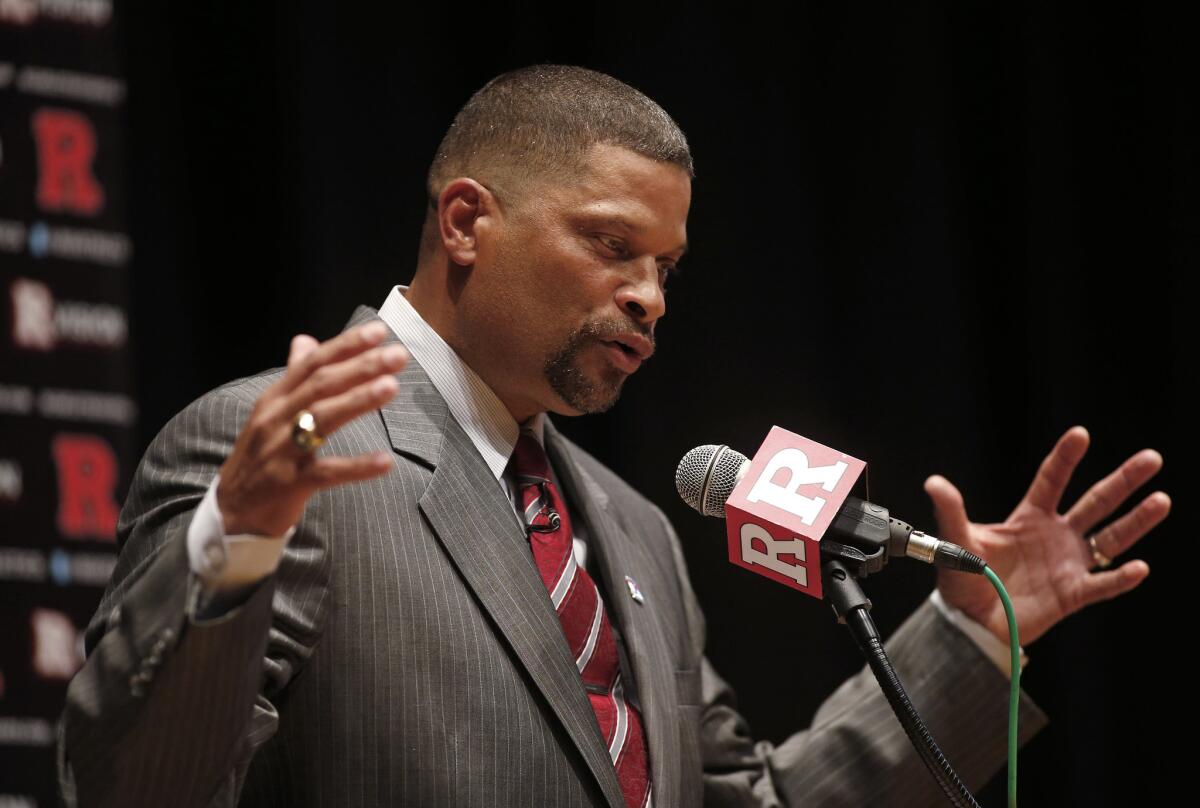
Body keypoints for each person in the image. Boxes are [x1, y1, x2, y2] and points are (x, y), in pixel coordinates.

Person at [57, 65, 1169, 808]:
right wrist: (232, 544)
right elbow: (133, 787)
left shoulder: (634, 530)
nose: (651, 298)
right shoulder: (286, 454)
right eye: (612, 245)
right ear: (466, 222)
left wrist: (972, 637)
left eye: (667, 269)